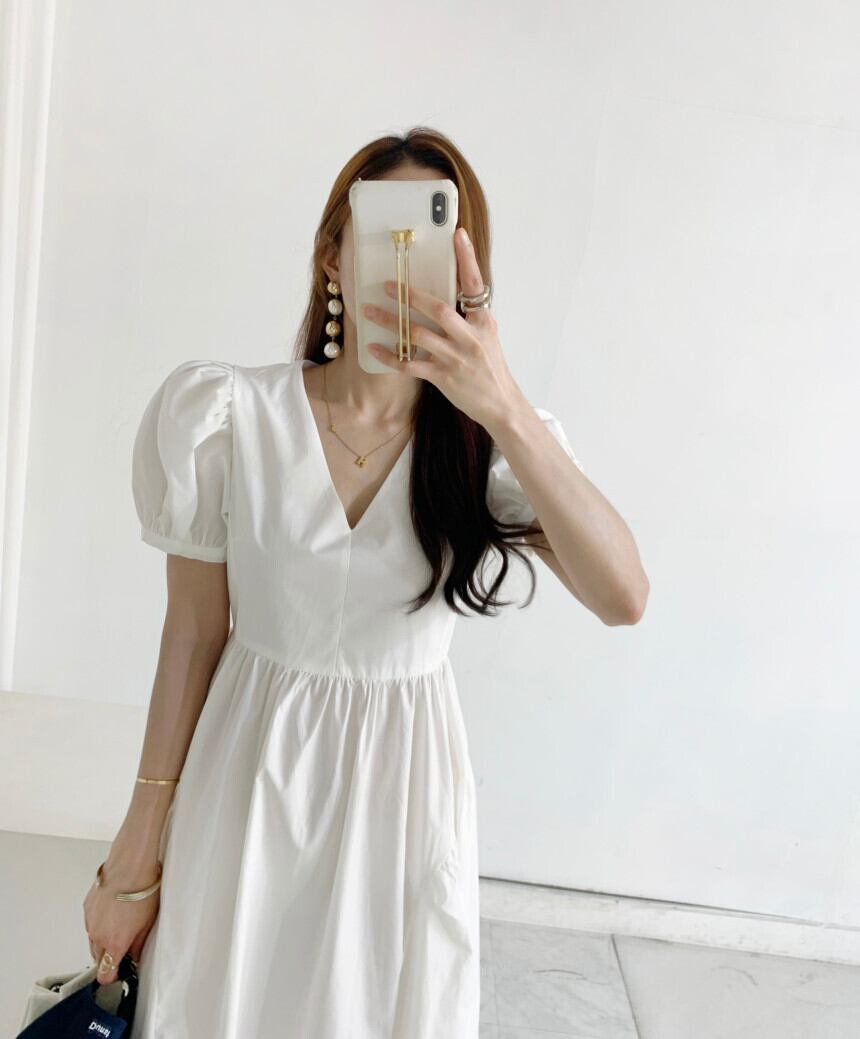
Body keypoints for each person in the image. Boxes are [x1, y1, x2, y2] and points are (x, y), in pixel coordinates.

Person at [82, 126, 648, 1038]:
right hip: (248, 778)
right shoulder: (228, 418)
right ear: (332, 257)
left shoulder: (486, 449)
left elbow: (624, 595)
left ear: (466, 274)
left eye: (430, 241)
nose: (403, 263)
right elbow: (192, 633)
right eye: (381, 233)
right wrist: (136, 852)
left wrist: (500, 397)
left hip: (402, 802)